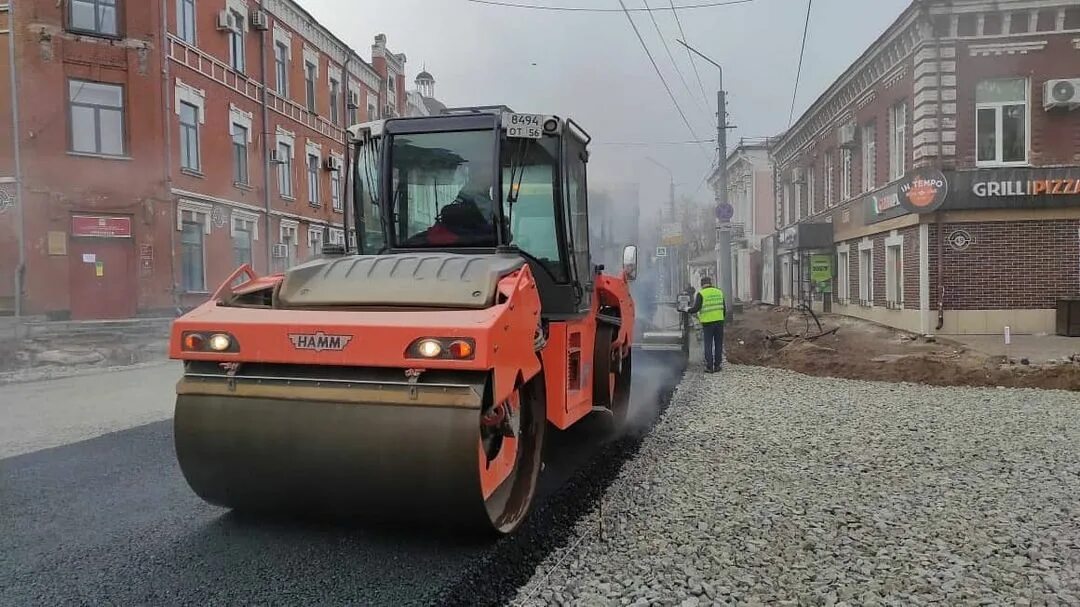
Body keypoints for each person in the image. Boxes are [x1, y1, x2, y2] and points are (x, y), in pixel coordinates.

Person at [686, 276, 727, 373]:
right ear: (710, 283)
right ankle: (717, 365)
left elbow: (696, 309)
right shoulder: (719, 292)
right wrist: (721, 318)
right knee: (718, 344)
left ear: (701, 284)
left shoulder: (701, 294)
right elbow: (724, 308)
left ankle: (709, 366)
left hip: (708, 323)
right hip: (719, 322)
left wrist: (687, 309)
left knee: (708, 344)